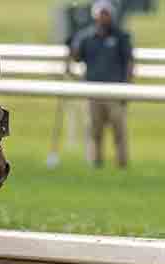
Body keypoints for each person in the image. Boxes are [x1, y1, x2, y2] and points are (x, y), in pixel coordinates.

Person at [71, 0, 134, 168]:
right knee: (94, 131)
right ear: (95, 16)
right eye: (101, 13)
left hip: (116, 92)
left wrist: (127, 89)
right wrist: (72, 39)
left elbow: (129, 63)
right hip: (93, 92)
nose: (104, 17)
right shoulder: (86, 37)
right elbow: (76, 57)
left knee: (119, 132)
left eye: (106, 13)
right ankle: (95, 163)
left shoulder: (121, 36)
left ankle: (122, 163)